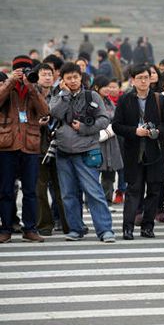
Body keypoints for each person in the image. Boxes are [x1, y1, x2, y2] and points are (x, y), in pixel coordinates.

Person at [49, 62, 114, 242]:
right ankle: (75, 229)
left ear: (81, 77)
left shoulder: (91, 95)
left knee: (94, 192)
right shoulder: (58, 95)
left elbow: (104, 119)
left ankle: (105, 230)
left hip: (87, 150)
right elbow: (54, 113)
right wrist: (65, 96)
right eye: (68, 78)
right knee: (68, 194)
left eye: (75, 77)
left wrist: (86, 127)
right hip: (63, 151)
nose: (73, 81)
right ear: (62, 80)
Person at [112, 64, 164, 240]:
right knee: (133, 191)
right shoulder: (125, 99)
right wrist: (135, 131)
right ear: (132, 80)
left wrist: (157, 130)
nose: (143, 81)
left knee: (154, 191)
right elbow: (116, 126)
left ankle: (148, 227)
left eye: (146, 77)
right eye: (139, 77)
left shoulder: (159, 99)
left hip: (155, 152)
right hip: (133, 153)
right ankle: (127, 227)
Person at [0, 56, 50, 243]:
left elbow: (45, 111)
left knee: (30, 190)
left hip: (30, 145)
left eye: (27, 70)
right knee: (5, 190)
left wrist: (30, 87)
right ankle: (5, 228)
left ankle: (30, 228)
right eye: (20, 70)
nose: (24, 74)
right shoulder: (5, 85)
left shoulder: (34, 88)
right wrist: (10, 81)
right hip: (6, 146)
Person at [35, 63, 70, 236]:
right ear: (37, 77)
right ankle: (44, 225)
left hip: (58, 146)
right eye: (43, 74)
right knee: (39, 189)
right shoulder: (31, 95)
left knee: (62, 188)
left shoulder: (60, 94)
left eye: (50, 74)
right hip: (37, 147)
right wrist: (36, 124)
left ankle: (67, 224)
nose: (47, 77)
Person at [92, 76, 124, 210]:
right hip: (97, 141)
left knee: (109, 174)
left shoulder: (110, 102)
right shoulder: (92, 101)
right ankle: (94, 201)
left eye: (109, 86)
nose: (107, 89)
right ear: (96, 88)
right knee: (94, 173)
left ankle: (107, 200)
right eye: (104, 86)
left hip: (111, 141)